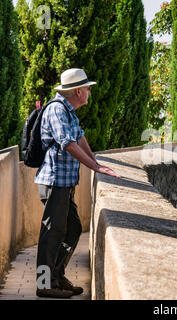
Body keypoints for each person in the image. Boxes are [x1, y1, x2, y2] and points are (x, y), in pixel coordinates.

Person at [34, 68, 120, 298]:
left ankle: (57, 276)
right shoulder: (56, 110)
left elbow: (80, 138)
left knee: (72, 230)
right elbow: (69, 144)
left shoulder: (69, 111)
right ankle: (44, 284)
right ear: (79, 91)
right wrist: (96, 168)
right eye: (88, 89)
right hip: (54, 182)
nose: (90, 93)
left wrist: (95, 161)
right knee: (51, 234)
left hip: (64, 183)